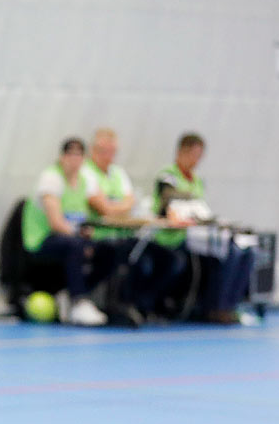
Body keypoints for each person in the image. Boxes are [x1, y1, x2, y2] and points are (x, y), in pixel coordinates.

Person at [83, 127, 184, 324]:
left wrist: (116, 206)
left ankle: (143, 305)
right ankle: (118, 305)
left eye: (112, 151)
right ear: (93, 150)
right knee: (134, 260)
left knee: (170, 260)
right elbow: (104, 208)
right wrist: (118, 207)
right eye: (104, 151)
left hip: (125, 235)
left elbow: (130, 202)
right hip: (100, 237)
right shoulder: (86, 173)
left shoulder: (117, 173)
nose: (109, 156)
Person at [154, 133, 255, 325]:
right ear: (180, 152)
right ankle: (214, 308)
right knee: (228, 252)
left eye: (199, 156)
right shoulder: (167, 175)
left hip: (197, 234)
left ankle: (227, 305)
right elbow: (167, 199)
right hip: (173, 236)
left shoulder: (198, 180)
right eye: (192, 155)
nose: (196, 160)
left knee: (244, 251)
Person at [22, 137, 112, 327]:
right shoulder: (51, 179)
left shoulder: (85, 179)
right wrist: (82, 239)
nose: (74, 159)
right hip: (42, 240)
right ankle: (78, 301)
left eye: (79, 155)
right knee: (76, 245)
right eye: (70, 154)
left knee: (110, 250)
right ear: (62, 157)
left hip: (72, 238)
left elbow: (103, 209)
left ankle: (70, 294)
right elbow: (56, 223)